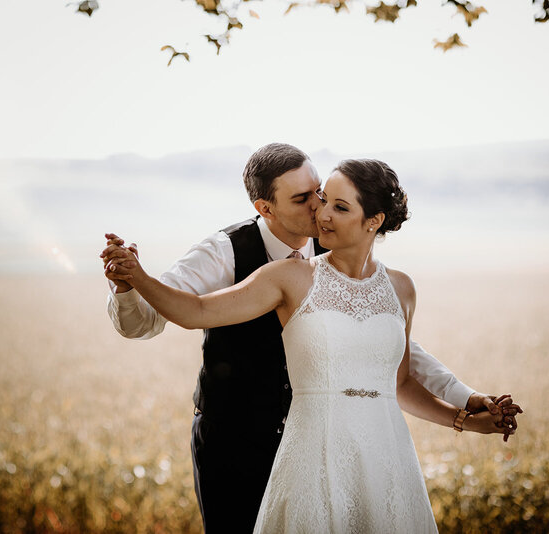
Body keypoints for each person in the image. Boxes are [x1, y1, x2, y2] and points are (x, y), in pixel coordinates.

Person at [101, 144, 521, 532]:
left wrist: (466, 405)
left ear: (373, 221)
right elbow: (180, 314)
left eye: (323, 196)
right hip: (241, 440)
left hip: (376, 450)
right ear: (265, 208)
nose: (319, 210)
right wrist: (133, 281)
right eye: (305, 200)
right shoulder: (233, 255)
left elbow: (388, 361)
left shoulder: (388, 278)